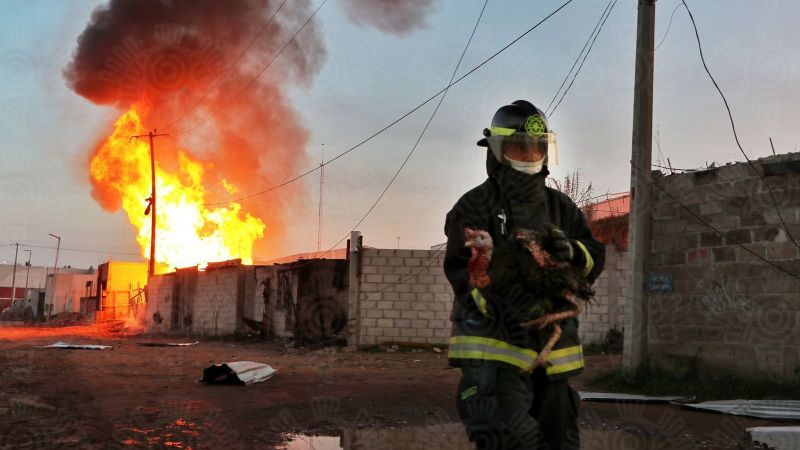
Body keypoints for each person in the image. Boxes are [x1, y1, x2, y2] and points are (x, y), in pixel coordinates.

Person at [444, 100, 605, 449]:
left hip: (553, 358)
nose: (529, 154)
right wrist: (503, 306)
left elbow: (595, 256)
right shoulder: (474, 206)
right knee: (511, 439)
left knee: (559, 441)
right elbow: (462, 272)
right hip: (496, 355)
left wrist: (573, 253)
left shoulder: (561, 207)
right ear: (497, 151)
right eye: (519, 147)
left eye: (536, 148)